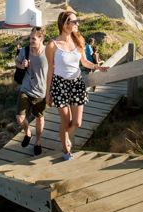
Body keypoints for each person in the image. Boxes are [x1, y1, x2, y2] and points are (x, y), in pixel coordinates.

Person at [45, 11, 108, 161]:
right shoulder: (52, 45)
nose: (77, 24)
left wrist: (97, 67)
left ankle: (64, 134)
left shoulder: (79, 41)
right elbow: (50, 70)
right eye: (74, 21)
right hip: (60, 85)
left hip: (77, 84)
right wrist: (48, 93)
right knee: (66, 122)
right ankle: (66, 150)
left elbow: (84, 62)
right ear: (65, 24)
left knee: (77, 123)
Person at [15, 27, 48, 155]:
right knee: (19, 118)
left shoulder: (48, 52)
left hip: (41, 92)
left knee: (39, 118)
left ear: (41, 39)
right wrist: (21, 65)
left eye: (33, 38)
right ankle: (27, 132)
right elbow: (16, 61)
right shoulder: (25, 50)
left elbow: (53, 71)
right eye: (30, 37)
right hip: (26, 89)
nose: (30, 40)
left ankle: (38, 141)